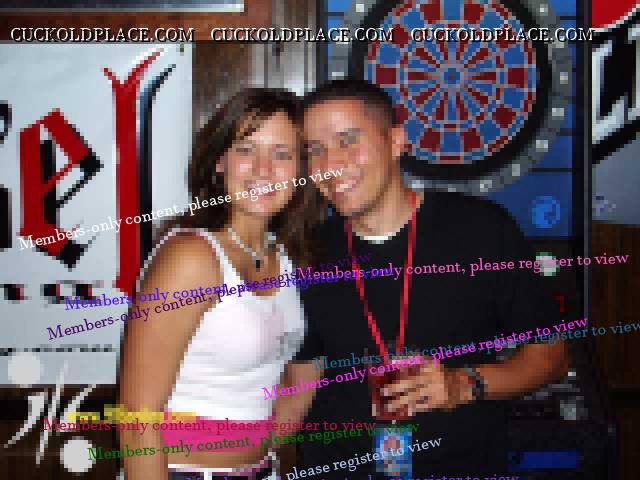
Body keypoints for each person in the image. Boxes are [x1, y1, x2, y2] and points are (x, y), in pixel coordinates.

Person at [283, 79, 570, 478]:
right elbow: (301, 380)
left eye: (349, 140)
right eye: (315, 150)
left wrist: (464, 384)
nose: (330, 164)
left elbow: (551, 358)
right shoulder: (309, 253)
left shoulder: (483, 231)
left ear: (396, 141)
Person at [118, 88, 322, 480]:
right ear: (219, 161)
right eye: (246, 149)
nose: (263, 169)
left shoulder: (285, 256)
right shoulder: (191, 257)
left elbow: (292, 374)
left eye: (282, 154)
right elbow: (137, 417)